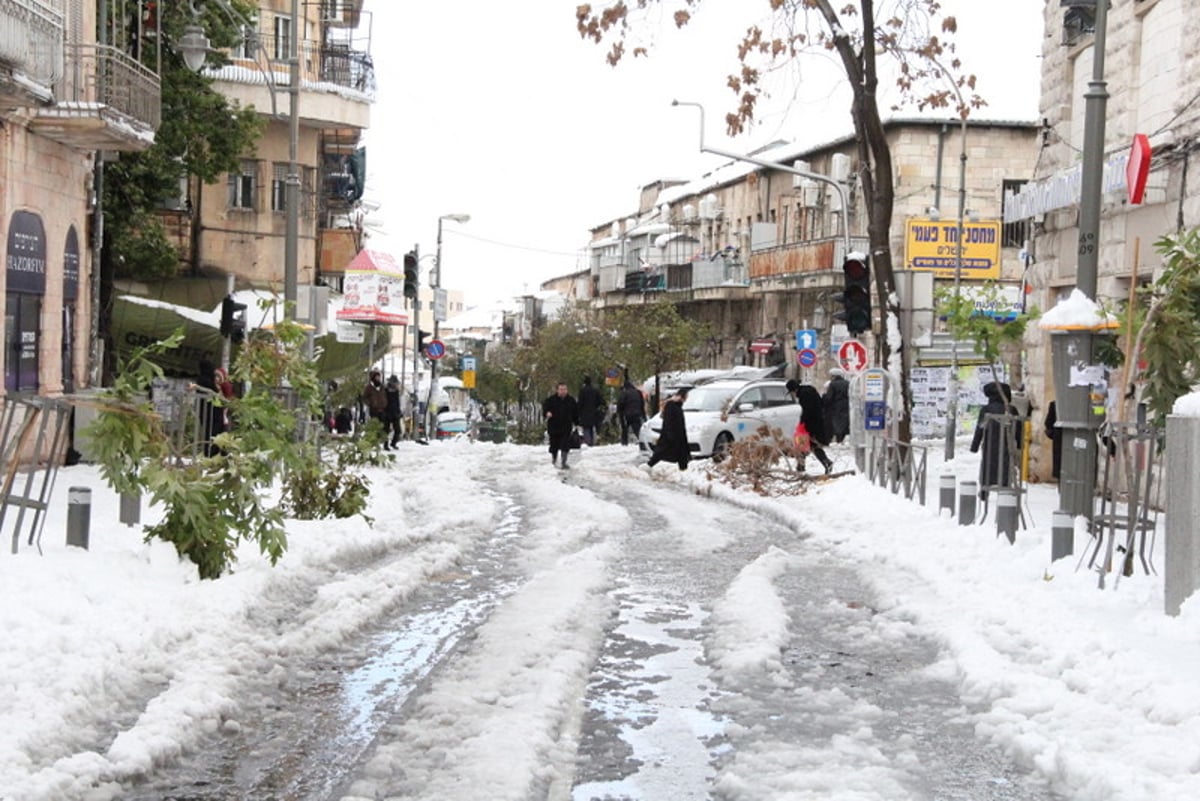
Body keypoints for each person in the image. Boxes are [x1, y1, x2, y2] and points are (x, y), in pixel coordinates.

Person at [971, 381, 1020, 499]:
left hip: (989, 444)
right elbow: (1019, 428)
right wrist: (1019, 443)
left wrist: (975, 446)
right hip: (1006, 443)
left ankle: (984, 490)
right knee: (1005, 465)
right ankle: (1004, 489)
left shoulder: (986, 409)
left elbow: (980, 428)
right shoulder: (1011, 409)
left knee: (987, 465)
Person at [787, 379, 834, 475]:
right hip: (817, 422)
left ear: (794, 389)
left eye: (791, 392)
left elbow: (807, 412)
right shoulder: (809, 390)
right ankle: (803, 466)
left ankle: (802, 466)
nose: (793, 394)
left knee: (804, 443)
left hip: (812, 424)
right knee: (809, 444)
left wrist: (803, 424)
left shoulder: (804, 395)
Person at [646, 386, 691, 471]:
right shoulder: (672, 405)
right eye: (687, 396)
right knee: (661, 452)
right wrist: (671, 434)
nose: (687, 398)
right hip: (670, 435)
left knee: (681, 453)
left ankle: (684, 469)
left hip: (678, 435)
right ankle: (648, 466)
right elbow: (668, 421)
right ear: (682, 396)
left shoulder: (678, 406)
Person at [542, 381, 579, 469]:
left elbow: (575, 413)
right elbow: (545, 409)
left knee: (565, 445)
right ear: (557, 390)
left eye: (565, 389)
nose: (563, 391)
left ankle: (564, 462)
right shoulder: (551, 400)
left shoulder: (571, 400)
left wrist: (577, 423)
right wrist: (547, 413)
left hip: (566, 427)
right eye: (561, 389)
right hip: (554, 426)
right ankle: (554, 459)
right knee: (554, 445)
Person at [822, 368, 851, 444]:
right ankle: (843, 438)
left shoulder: (833, 384)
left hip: (836, 406)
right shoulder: (847, 383)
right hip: (846, 405)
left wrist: (824, 399)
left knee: (837, 423)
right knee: (844, 422)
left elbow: (829, 397)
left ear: (833, 376)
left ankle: (839, 439)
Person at [617, 379, 646, 446]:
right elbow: (642, 404)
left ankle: (624, 443)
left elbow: (621, 403)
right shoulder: (638, 392)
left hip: (627, 414)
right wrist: (643, 415)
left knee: (624, 429)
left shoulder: (624, 393)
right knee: (637, 428)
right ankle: (642, 441)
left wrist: (620, 413)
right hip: (637, 413)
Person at [577, 376, 603, 446]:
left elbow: (580, 403)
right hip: (594, 412)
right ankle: (592, 442)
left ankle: (588, 443)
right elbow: (601, 401)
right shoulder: (595, 390)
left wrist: (578, 412)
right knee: (592, 428)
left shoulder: (582, 391)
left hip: (584, 413)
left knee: (586, 428)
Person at [361, 370, 387, 435]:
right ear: (373, 378)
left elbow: (386, 396)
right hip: (374, 409)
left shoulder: (382, 387)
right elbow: (364, 398)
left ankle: (381, 437)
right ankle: (375, 436)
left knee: (382, 424)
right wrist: (370, 403)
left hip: (383, 409)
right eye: (376, 377)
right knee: (375, 424)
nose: (378, 379)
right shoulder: (369, 387)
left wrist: (385, 403)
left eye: (379, 377)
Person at [1043, 400, 1061, 481]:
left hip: (1059, 439)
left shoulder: (1055, 404)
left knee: (1060, 467)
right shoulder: (1082, 405)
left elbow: (1048, 423)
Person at [384, 375, 403, 449]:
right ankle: (386, 445)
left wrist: (399, 411)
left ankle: (393, 443)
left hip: (395, 413)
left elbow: (397, 402)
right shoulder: (385, 391)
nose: (395, 385)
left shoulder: (396, 391)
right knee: (386, 430)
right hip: (387, 412)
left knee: (398, 430)